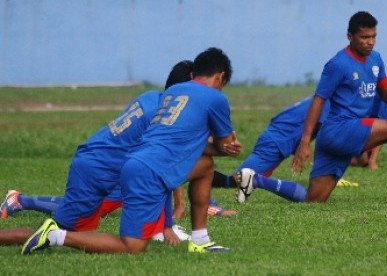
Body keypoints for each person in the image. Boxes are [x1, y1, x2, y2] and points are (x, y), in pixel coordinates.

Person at [21, 47, 240, 255]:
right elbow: (160, 163)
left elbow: (172, 152)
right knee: (129, 244)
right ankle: (46, 226)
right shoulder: (201, 101)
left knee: (204, 166)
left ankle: (200, 239)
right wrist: (166, 225)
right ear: (219, 77)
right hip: (108, 169)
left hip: (100, 161)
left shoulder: (157, 98)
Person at [237, 11, 387, 205]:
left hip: (342, 135)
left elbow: (386, 93)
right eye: (364, 37)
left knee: (313, 199)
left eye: (373, 36)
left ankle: (254, 180)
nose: (370, 41)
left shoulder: (376, 59)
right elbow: (318, 101)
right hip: (339, 128)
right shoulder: (338, 64)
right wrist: (305, 141)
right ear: (350, 36)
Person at [0, 60, 195, 249]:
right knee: (54, 233)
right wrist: (167, 225)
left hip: (98, 166)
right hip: (95, 172)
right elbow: (160, 170)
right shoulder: (162, 117)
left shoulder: (151, 97)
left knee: (78, 237)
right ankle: (20, 206)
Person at [211, 95, 359, 204]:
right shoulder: (330, 102)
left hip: (278, 140)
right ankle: (198, 174)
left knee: (237, 179)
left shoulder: (326, 99)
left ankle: (200, 174)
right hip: (275, 141)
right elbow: (324, 131)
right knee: (237, 179)